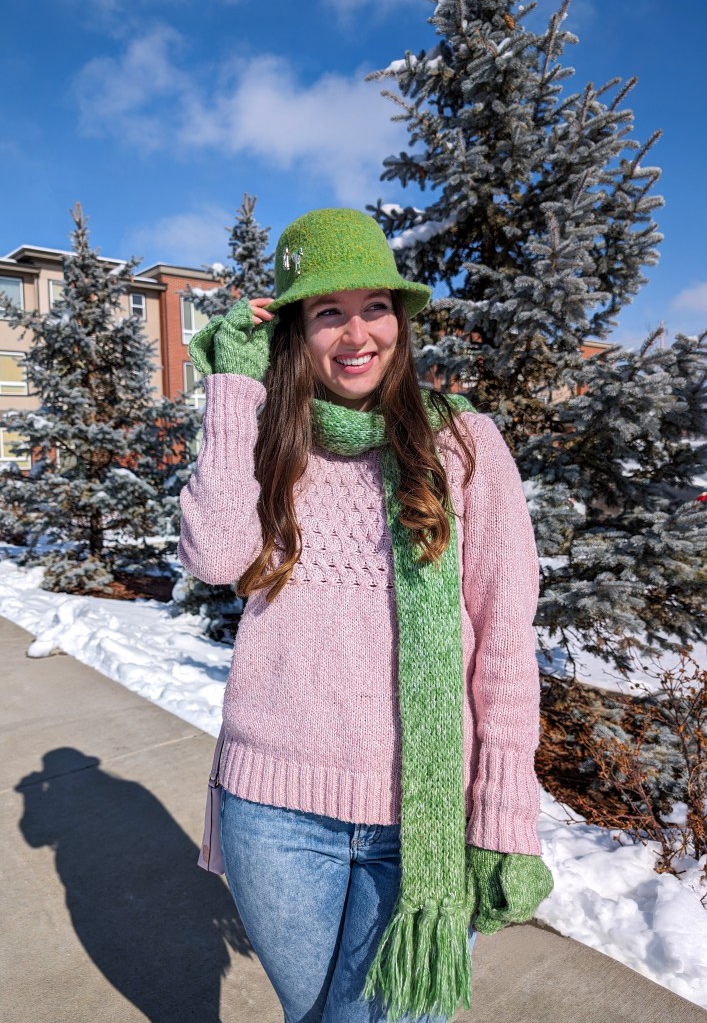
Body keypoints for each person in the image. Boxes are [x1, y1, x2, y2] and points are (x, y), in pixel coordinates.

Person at [179, 208, 553, 1023]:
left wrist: (502, 818)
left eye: (373, 306)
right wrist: (234, 389)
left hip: (418, 818)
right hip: (272, 811)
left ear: (399, 319)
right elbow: (214, 558)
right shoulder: (269, 440)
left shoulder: (464, 445)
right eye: (326, 312)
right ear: (293, 331)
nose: (356, 333)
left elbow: (503, 649)